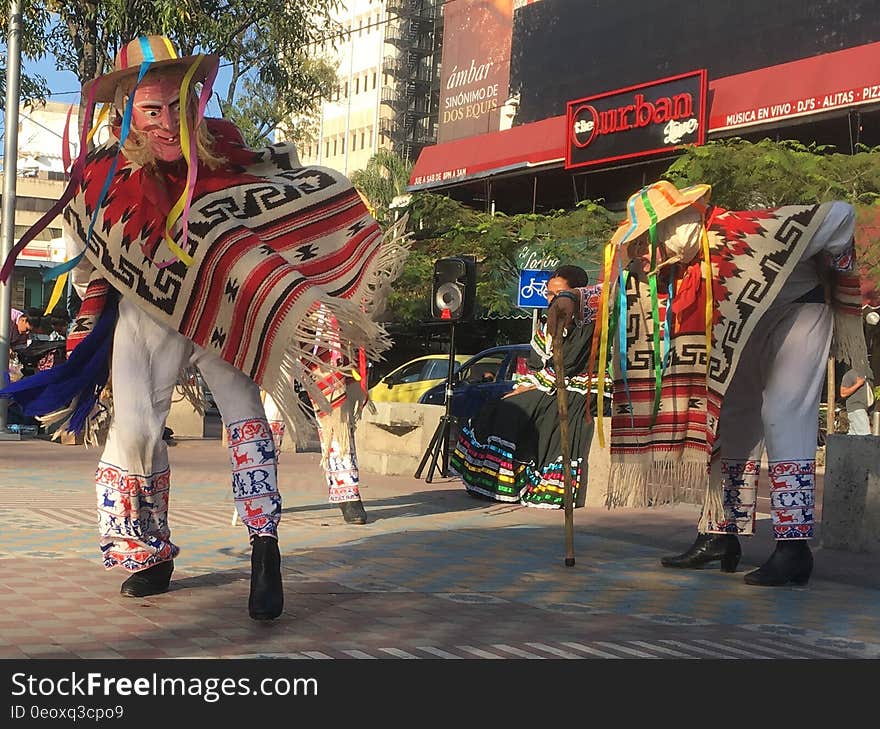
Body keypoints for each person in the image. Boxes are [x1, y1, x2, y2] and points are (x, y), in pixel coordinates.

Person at [0, 36, 406, 619]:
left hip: (224, 310)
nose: (168, 122)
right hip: (150, 313)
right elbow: (95, 251)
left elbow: (278, 206)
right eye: (152, 109)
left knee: (244, 415)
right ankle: (150, 552)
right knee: (138, 429)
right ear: (127, 111)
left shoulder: (230, 156)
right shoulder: (103, 174)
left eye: (177, 106)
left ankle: (265, 548)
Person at [548, 180, 869, 586]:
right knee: (730, 420)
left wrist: (838, 270)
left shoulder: (741, 231)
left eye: (646, 244)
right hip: (743, 326)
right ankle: (720, 533)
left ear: (671, 229)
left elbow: (839, 215)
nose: (643, 257)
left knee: (784, 414)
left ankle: (794, 547)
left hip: (799, 312)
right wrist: (574, 300)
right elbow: (621, 288)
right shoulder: (676, 265)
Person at [449, 265, 601, 508]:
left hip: (574, 387)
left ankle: (527, 481)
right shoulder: (550, 320)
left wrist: (532, 387)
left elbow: (568, 366)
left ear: (576, 293)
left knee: (515, 409)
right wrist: (529, 384)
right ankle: (493, 482)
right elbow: (538, 363)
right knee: (499, 406)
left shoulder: (586, 322)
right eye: (550, 294)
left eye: (559, 294)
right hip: (548, 382)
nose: (553, 300)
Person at [840, 368, 873, 435]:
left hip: (862, 409)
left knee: (854, 437)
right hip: (857, 409)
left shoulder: (867, 375)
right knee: (865, 436)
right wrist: (858, 384)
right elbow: (843, 393)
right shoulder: (851, 374)